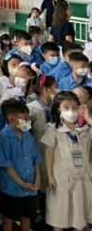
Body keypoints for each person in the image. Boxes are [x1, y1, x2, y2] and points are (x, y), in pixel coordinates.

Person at [42, 91, 92, 231]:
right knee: (60, 212)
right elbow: (49, 153)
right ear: (58, 109)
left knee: (80, 213)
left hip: (82, 176)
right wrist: (50, 176)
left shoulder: (84, 129)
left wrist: (88, 118)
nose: (71, 111)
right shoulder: (53, 129)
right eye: (66, 107)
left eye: (74, 107)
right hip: (61, 177)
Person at [0, 99, 42, 231]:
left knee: (27, 218)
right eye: (24, 119)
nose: (27, 122)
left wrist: (38, 177)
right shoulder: (4, 137)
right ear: (11, 118)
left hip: (30, 187)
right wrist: (21, 183)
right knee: (8, 219)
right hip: (12, 188)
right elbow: (6, 164)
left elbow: (36, 158)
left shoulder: (27, 135)